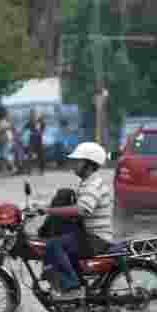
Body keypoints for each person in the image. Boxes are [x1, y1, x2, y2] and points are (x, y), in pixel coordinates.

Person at [31, 142, 113, 301]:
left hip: (96, 239)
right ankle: (69, 280)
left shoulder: (93, 184)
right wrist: (41, 207)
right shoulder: (87, 182)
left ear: (89, 164)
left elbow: (82, 209)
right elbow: (70, 205)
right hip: (87, 235)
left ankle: (72, 287)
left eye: (78, 161)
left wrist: (48, 210)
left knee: (54, 245)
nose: (73, 165)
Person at [27, 110, 47, 175]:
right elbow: (25, 129)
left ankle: (42, 170)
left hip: (39, 140)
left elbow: (43, 132)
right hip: (32, 140)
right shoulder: (30, 122)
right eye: (33, 115)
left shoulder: (42, 122)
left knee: (41, 155)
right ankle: (29, 170)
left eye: (35, 115)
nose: (34, 116)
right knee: (30, 154)